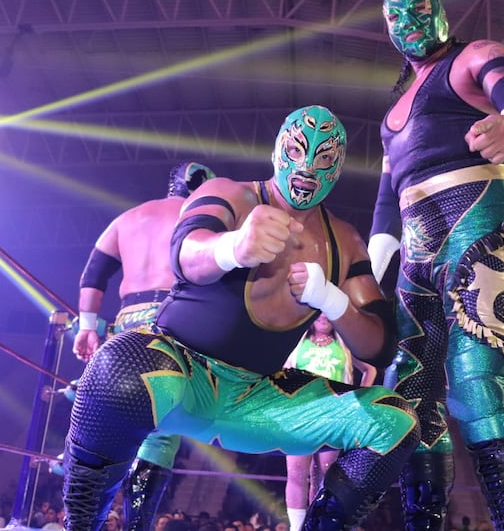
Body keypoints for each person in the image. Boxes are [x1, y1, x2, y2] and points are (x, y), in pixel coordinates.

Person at [62, 105, 421, 531]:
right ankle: (81, 525)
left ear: (338, 167)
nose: (307, 168)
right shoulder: (233, 194)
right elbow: (184, 253)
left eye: (324, 158)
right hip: (180, 371)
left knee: (394, 421)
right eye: (298, 150)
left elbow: (378, 347)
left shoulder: (343, 240)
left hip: (259, 395)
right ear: (277, 151)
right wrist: (233, 248)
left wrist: (332, 300)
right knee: (117, 367)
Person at [367, 0, 504, 530]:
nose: (407, 23)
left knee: (478, 378)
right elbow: (384, 201)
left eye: (417, 11)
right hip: (417, 241)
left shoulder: (474, 56)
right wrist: (366, 277)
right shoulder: (391, 116)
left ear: (441, 13)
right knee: (410, 388)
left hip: (479, 214)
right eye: (394, 17)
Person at [73, 160, 216, 531]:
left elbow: (93, 273)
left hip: (125, 324)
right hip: (174, 319)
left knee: (110, 423)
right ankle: (137, 526)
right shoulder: (202, 214)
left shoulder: (128, 218)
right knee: (161, 431)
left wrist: (87, 326)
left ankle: (89, 523)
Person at [282, 314, 378, 530]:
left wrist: (358, 398)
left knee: (326, 474)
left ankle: (319, 523)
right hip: (301, 416)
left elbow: (370, 369)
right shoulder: (297, 343)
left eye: (328, 313)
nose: (324, 317)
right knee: (297, 472)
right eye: (319, 312)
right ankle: (296, 527)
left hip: (334, 417)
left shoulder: (344, 345)